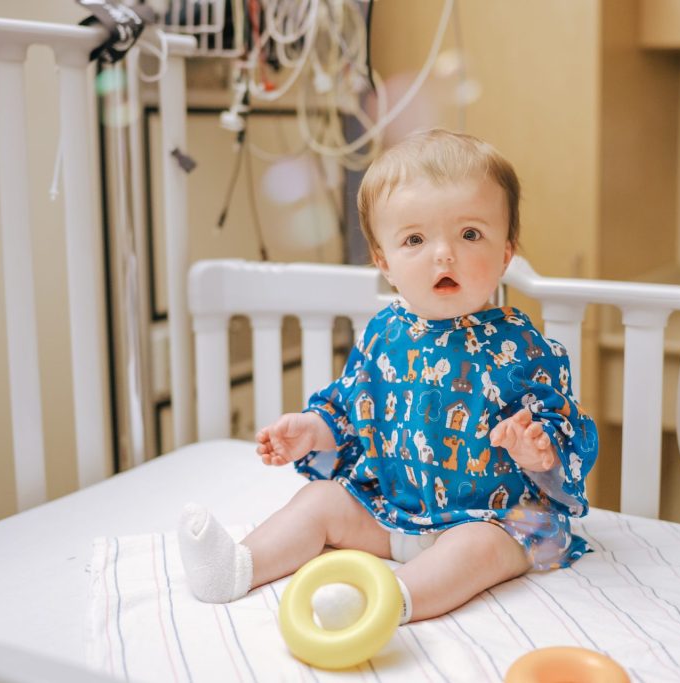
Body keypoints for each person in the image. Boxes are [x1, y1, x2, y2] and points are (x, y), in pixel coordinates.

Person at [178, 128, 598, 628]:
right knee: (321, 501)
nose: (444, 254)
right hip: (391, 509)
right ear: (385, 262)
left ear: (505, 253)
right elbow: (353, 407)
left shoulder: (522, 346)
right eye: (415, 239)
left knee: (482, 547)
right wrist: (315, 428)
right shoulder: (383, 335)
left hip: (495, 515)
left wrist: (538, 449)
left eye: (469, 234)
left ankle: (387, 601)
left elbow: (558, 423)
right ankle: (236, 567)